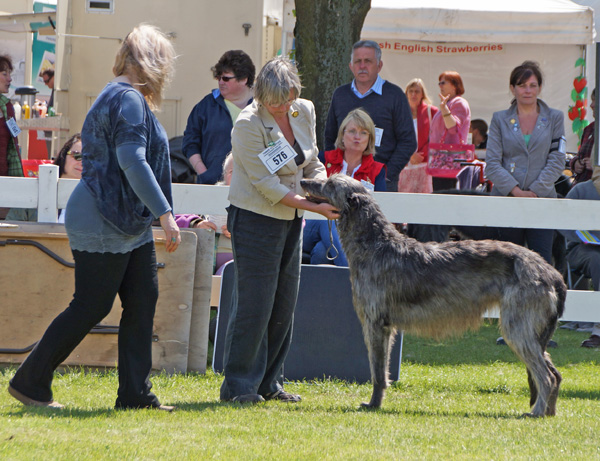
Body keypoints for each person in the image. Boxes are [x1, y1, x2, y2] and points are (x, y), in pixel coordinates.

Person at [8, 24, 180, 411]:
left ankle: (135, 395)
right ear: (151, 62)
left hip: (124, 221)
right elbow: (132, 162)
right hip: (104, 219)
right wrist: (166, 215)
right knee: (91, 305)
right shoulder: (129, 100)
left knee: (142, 299)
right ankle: (31, 382)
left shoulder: (116, 94)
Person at [220, 57, 339, 404]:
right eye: (273, 102)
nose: (281, 107)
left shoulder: (304, 110)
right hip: (255, 218)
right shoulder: (247, 124)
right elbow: (267, 186)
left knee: (283, 304)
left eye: (285, 99)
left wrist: (323, 189)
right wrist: (314, 207)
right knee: (254, 306)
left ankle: (269, 384)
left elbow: (312, 161)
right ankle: (238, 387)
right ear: (259, 95)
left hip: (292, 218)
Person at [485, 60, 565, 265]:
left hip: (543, 201)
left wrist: (535, 190)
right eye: (522, 85)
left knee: (542, 263)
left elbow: (557, 159)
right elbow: (492, 163)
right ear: (512, 88)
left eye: (532, 85)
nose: (527, 90)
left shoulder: (555, 117)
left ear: (539, 87)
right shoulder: (499, 119)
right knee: (508, 265)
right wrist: (516, 191)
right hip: (508, 200)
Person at [324, 40, 415, 192]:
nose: (362, 66)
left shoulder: (394, 95)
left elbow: (408, 142)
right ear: (351, 66)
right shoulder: (340, 95)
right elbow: (329, 138)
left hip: (380, 183)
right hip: (342, 181)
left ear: (379, 66)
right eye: (358, 61)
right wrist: (333, 170)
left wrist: (386, 173)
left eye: (368, 61)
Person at [304, 108, 385, 266]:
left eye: (363, 133)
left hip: (356, 233)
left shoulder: (377, 170)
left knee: (322, 252)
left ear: (370, 139)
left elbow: (380, 209)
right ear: (342, 135)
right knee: (331, 219)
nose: (357, 137)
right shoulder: (323, 160)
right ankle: (352, 279)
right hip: (314, 222)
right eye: (352, 131)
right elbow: (307, 190)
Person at [182, 50, 255, 185]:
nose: (221, 82)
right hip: (211, 187)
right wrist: (204, 173)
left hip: (253, 189)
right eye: (219, 78)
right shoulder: (206, 106)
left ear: (244, 79)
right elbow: (189, 143)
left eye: (226, 78)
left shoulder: (261, 107)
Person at [559, 166, 600, 347]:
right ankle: (598, 329)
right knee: (599, 261)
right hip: (582, 249)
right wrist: (584, 238)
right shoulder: (580, 190)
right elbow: (563, 222)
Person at [176, 153, 233, 274]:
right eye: (232, 172)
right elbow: (175, 218)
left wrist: (241, 230)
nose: (237, 177)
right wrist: (197, 224)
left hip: (235, 264)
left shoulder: (257, 201)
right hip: (203, 260)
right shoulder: (208, 195)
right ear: (225, 174)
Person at [5, 133, 82, 222]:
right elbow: (12, 229)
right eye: (77, 155)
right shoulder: (33, 191)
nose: (82, 162)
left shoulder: (96, 199)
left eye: (90, 158)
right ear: (63, 155)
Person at [429, 70, 471, 191]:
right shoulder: (448, 103)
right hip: (441, 158)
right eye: (439, 83)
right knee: (439, 194)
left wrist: (444, 109)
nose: (440, 86)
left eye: (443, 82)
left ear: (455, 85)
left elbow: (453, 128)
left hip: (451, 159)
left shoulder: (459, 103)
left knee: (446, 194)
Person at [398, 78, 439, 193]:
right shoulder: (399, 113)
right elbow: (396, 138)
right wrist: (409, 155)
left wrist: (421, 154)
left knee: (423, 201)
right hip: (404, 166)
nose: (413, 94)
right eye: (410, 91)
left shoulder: (432, 112)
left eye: (417, 91)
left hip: (424, 164)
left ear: (422, 94)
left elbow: (436, 138)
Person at [0, 54, 23, 178]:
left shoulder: (7, 107)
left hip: (4, 180)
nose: (9, 79)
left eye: (10, 74)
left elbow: (13, 145)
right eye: (4, 74)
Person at [570, 89, 595, 185]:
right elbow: (579, 155)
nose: (591, 105)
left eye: (595, 101)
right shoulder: (588, 129)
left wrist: (596, 166)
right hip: (580, 186)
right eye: (591, 100)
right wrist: (576, 163)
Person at [42, 69, 55, 154]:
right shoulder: (55, 91)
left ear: (54, 77)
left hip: (53, 129)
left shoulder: (57, 91)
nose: (46, 84)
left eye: (47, 81)